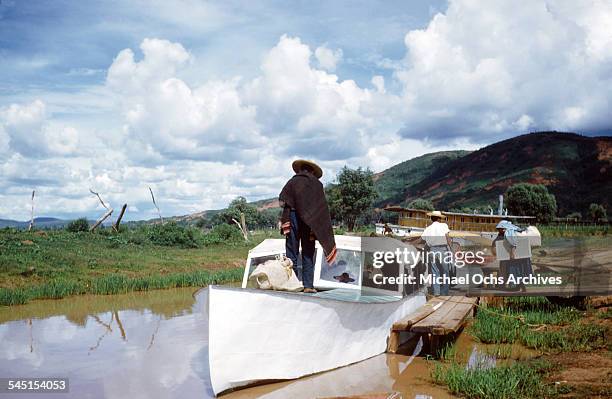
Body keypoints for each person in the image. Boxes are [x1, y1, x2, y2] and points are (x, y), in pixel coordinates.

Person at [279, 160, 337, 294]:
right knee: (308, 252)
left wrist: (288, 216)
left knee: (291, 252)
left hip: (292, 217)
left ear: (300, 170)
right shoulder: (317, 184)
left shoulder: (292, 182)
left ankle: (291, 284)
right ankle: (308, 286)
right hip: (310, 221)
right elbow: (321, 209)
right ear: (312, 171)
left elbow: (284, 200)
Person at [493, 220, 533, 292]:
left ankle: (520, 287)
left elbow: (513, 243)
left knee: (515, 271)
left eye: (500, 229)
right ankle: (518, 287)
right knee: (517, 272)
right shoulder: (507, 232)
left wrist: (512, 253)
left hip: (515, 256)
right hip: (518, 256)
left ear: (504, 228)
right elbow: (497, 242)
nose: (499, 231)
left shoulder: (509, 232)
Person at [421, 210, 453, 295]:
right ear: (439, 218)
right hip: (443, 250)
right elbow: (448, 238)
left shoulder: (428, 228)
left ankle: (437, 292)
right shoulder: (444, 226)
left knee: (435, 272)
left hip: (432, 250)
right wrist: (451, 250)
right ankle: (444, 293)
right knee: (445, 272)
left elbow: (422, 240)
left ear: (431, 218)